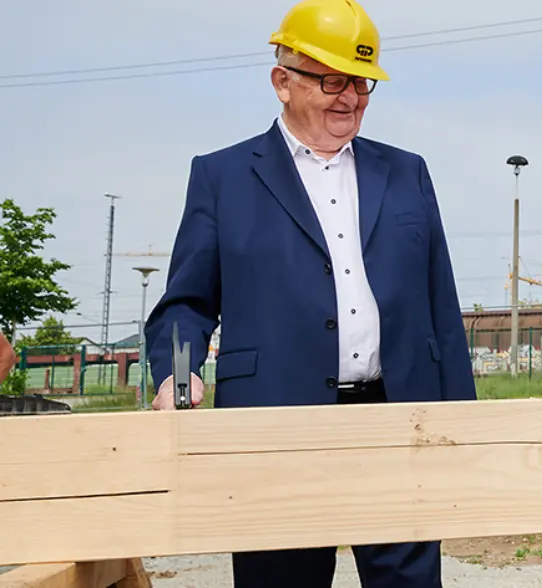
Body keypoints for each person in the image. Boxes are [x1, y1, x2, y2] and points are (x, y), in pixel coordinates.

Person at [143, 0, 475, 586]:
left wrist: (464, 429)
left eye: (361, 83)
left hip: (400, 419)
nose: (349, 97)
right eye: (331, 80)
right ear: (282, 81)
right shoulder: (221, 177)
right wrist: (179, 372)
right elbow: (185, 305)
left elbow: (440, 309)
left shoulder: (408, 172)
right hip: (276, 425)